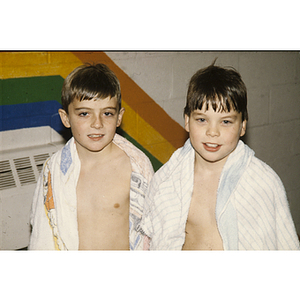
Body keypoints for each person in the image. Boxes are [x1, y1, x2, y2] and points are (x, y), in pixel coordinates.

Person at [140, 63, 300, 250]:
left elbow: (285, 246)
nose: (212, 132)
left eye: (225, 122)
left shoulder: (262, 182)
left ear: (242, 126)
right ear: (187, 121)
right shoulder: (169, 179)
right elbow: (153, 238)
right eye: (202, 120)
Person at [29, 63, 154, 250]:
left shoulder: (134, 167)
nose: (97, 123)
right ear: (65, 118)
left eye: (107, 113)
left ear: (119, 117)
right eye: (85, 113)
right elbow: (43, 235)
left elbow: (155, 228)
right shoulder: (53, 171)